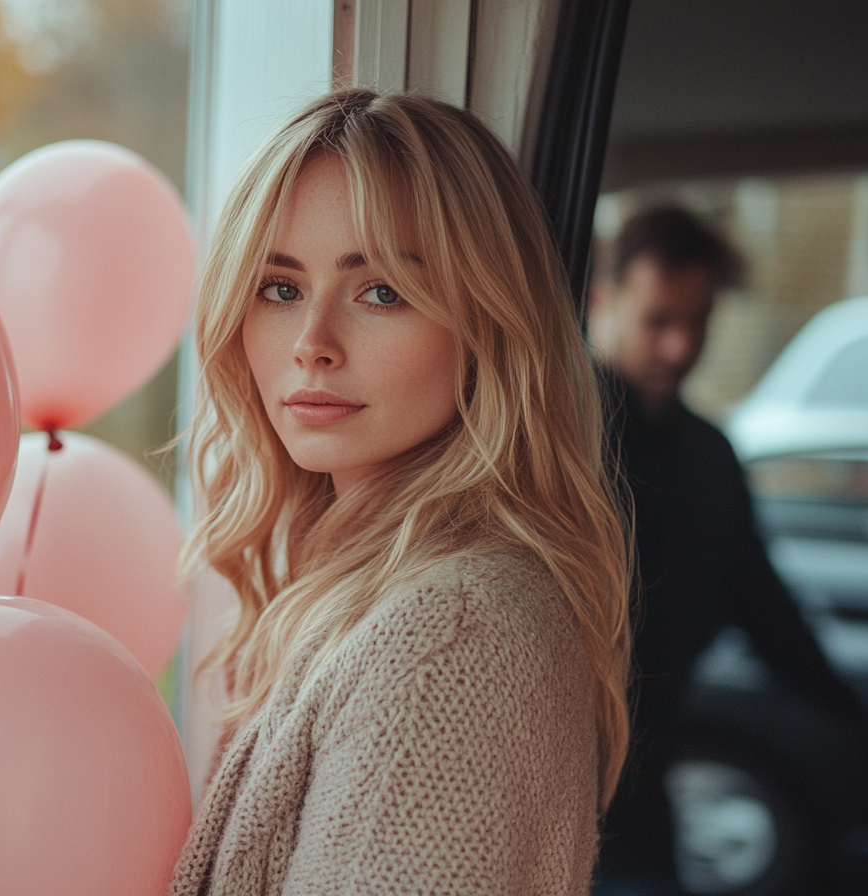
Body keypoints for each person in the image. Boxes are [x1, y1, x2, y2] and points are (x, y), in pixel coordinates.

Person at [170, 89, 631, 895]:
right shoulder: (365, 595)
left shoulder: (449, 637)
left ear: (488, 323)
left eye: (379, 290)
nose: (311, 344)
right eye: (279, 289)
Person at [587, 206, 868, 893]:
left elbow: (760, 600)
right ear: (604, 302)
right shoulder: (558, 440)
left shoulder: (709, 455)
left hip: (649, 777)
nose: (681, 347)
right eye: (658, 320)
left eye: (699, 320)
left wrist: (848, 710)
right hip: (548, 772)